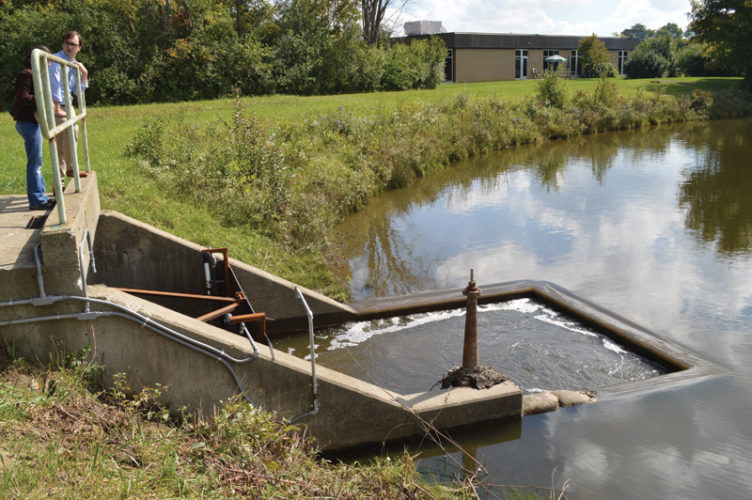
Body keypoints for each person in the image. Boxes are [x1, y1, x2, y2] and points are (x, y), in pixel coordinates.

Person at [12, 45, 55, 210]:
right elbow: (22, 97)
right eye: (46, 60)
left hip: (31, 122)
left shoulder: (36, 75)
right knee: (35, 162)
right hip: (27, 123)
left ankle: (41, 196)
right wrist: (42, 98)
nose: (49, 63)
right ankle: (37, 201)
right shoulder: (27, 74)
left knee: (37, 161)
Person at [49, 30, 88, 179]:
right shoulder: (56, 60)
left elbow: (78, 91)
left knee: (72, 132)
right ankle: (60, 182)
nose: (69, 47)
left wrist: (84, 74)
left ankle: (69, 172)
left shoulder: (74, 65)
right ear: (63, 44)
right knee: (60, 143)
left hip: (68, 105)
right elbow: (55, 85)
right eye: (67, 43)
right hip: (56, 105)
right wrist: (57, 108)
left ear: (79, 48)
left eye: (73, 44)